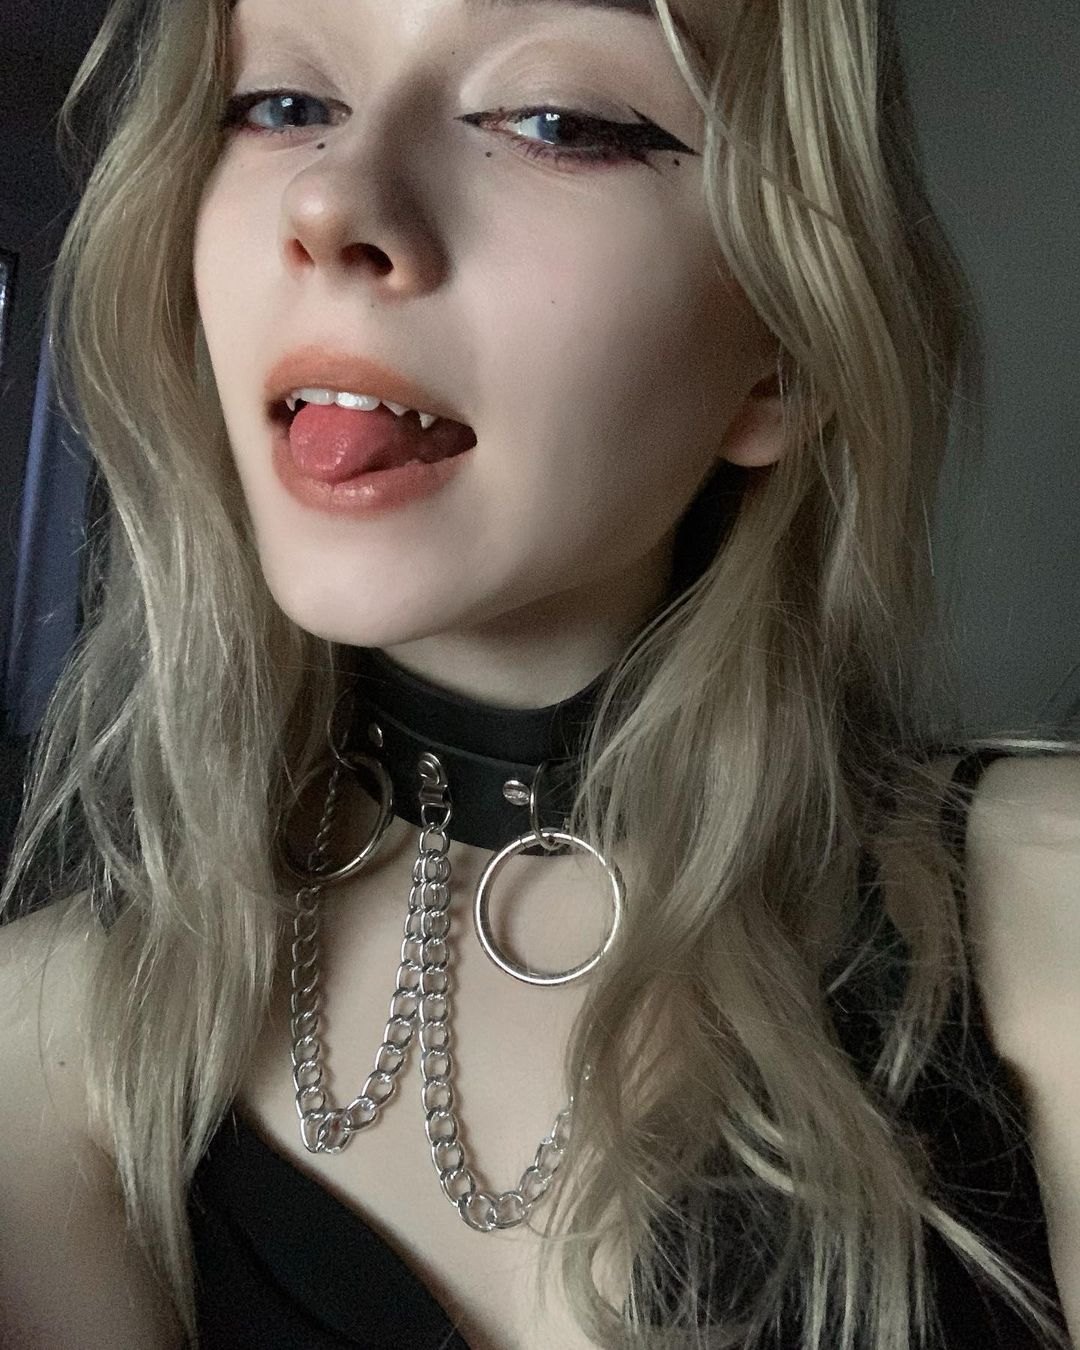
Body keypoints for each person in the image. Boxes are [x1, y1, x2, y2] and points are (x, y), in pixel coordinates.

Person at [1, 0, 1078, 1346]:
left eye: (558, 120)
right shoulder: (41, 1047)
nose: (332, 198)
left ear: (784, 350)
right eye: (281, 105)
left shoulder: (1048, 912)